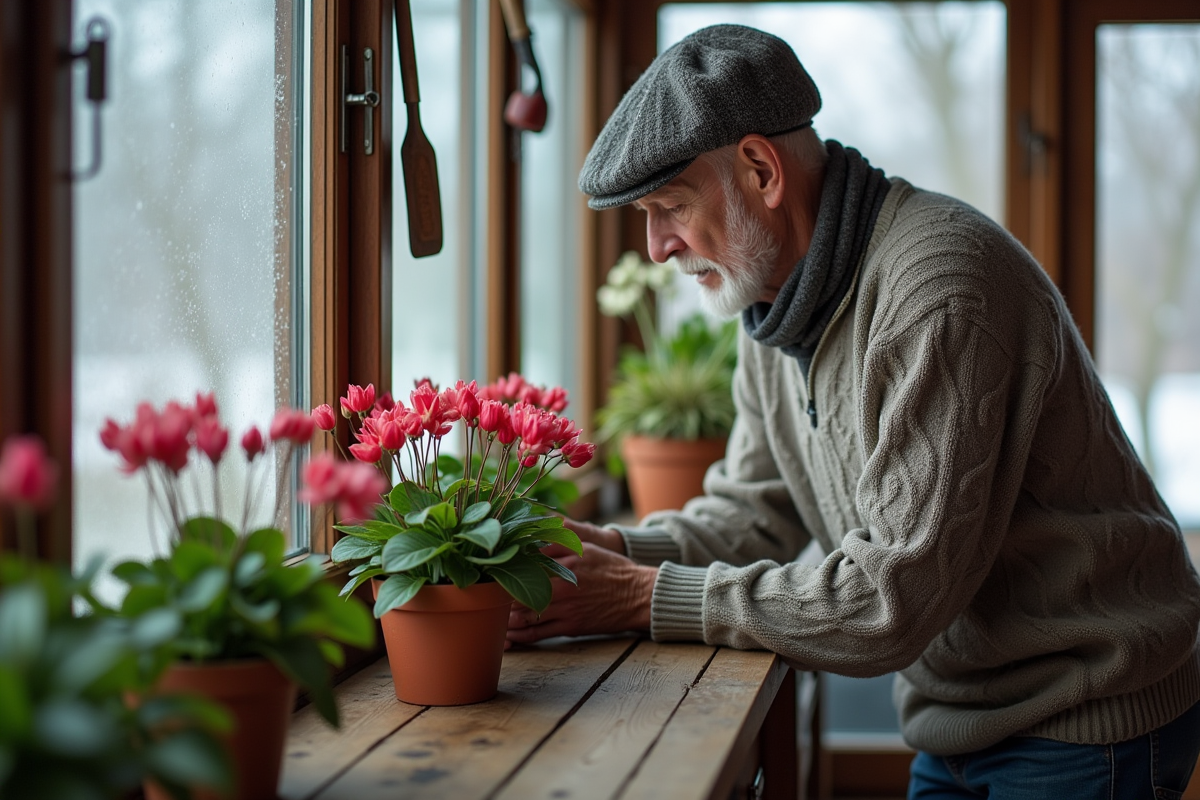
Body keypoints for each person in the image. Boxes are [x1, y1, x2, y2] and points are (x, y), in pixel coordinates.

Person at [505, 22, 1200, 798]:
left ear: (761, 169)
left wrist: (640, 598)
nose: (657, 246)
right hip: (963, 710)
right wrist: (610, 553)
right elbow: (752, 513)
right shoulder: (774, 306)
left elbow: (889, 600)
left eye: (669, 206)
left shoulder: (937, 291)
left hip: (1084, 710)